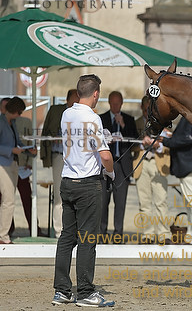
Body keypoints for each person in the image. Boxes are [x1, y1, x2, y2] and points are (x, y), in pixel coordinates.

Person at [52, 74, 115, 307]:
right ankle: (86, 292)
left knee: (67, 238)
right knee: (88, 239)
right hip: (88, 183)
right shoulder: (93, 118)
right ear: (96, 94)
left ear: (79, 92)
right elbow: (105, 155)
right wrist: (110, 172)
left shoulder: (67, 113)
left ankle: (62, 290)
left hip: (67, 180)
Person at [99, 91, 138, 242]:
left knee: (120, 202)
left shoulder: (129, 119)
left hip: (122, 166)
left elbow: (135, 141)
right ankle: (101, 234)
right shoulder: (101, 119)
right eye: (113, 103)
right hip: (105, 164)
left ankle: (118, 234)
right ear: (109, 103)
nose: (115, 106)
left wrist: (123, 125)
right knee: (103, 201)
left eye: (118, 103)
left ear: (122, 103)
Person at [40, 89, 79, 238]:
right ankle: (58, 231)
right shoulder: (56, 111)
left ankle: (73, 229)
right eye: (75, 98)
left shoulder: (81, 113)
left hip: (76, 158)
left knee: (76, 194)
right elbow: (46, 132)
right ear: (68, 99)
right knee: (59, 195)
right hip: (59, 156)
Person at [133, 96, 172, 244]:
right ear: (142, 108)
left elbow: (170, 142)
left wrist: (159, 145)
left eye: (150, 109)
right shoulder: (136, 123)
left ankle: (164, 234)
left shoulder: (163, 124)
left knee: (161, 201)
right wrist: (142, 144)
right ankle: (147, 235)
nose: (147, 112)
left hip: (158, 162)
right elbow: (130, 143)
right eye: (145, 109)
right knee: (144, 202)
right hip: (142, 163)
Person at [0, 97, 37, 244]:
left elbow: (18, 143)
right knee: (8, 200)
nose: (20, 115)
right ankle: (3, 236)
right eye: (19, 112)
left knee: (9, 200)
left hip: (13, 163)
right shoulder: (1, 122)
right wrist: (11, 150)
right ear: (14, 111)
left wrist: (29, 151)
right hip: (3, 164)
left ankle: (3, 234)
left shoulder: (12, 123)